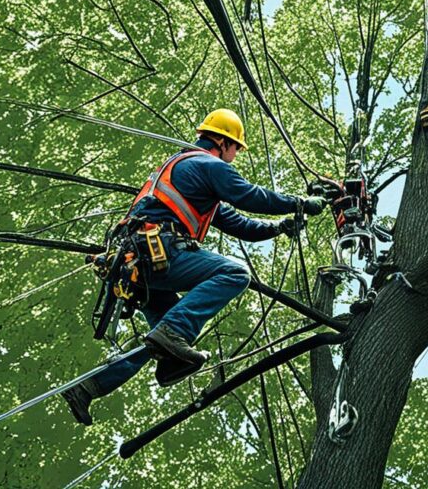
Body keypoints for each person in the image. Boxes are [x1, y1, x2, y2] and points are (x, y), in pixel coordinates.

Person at [62, 108, 327, 425]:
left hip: (135, 265)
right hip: (157, 252)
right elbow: (248, 195)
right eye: (235, 150)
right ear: (221, 141)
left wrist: (278, 228)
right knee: (234, 274)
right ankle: (171, 340)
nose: (234, 157)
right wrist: (298, 203)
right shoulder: (205, 164)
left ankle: (89, 388)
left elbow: (239, 224)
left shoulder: (187, 179)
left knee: (164, 340)